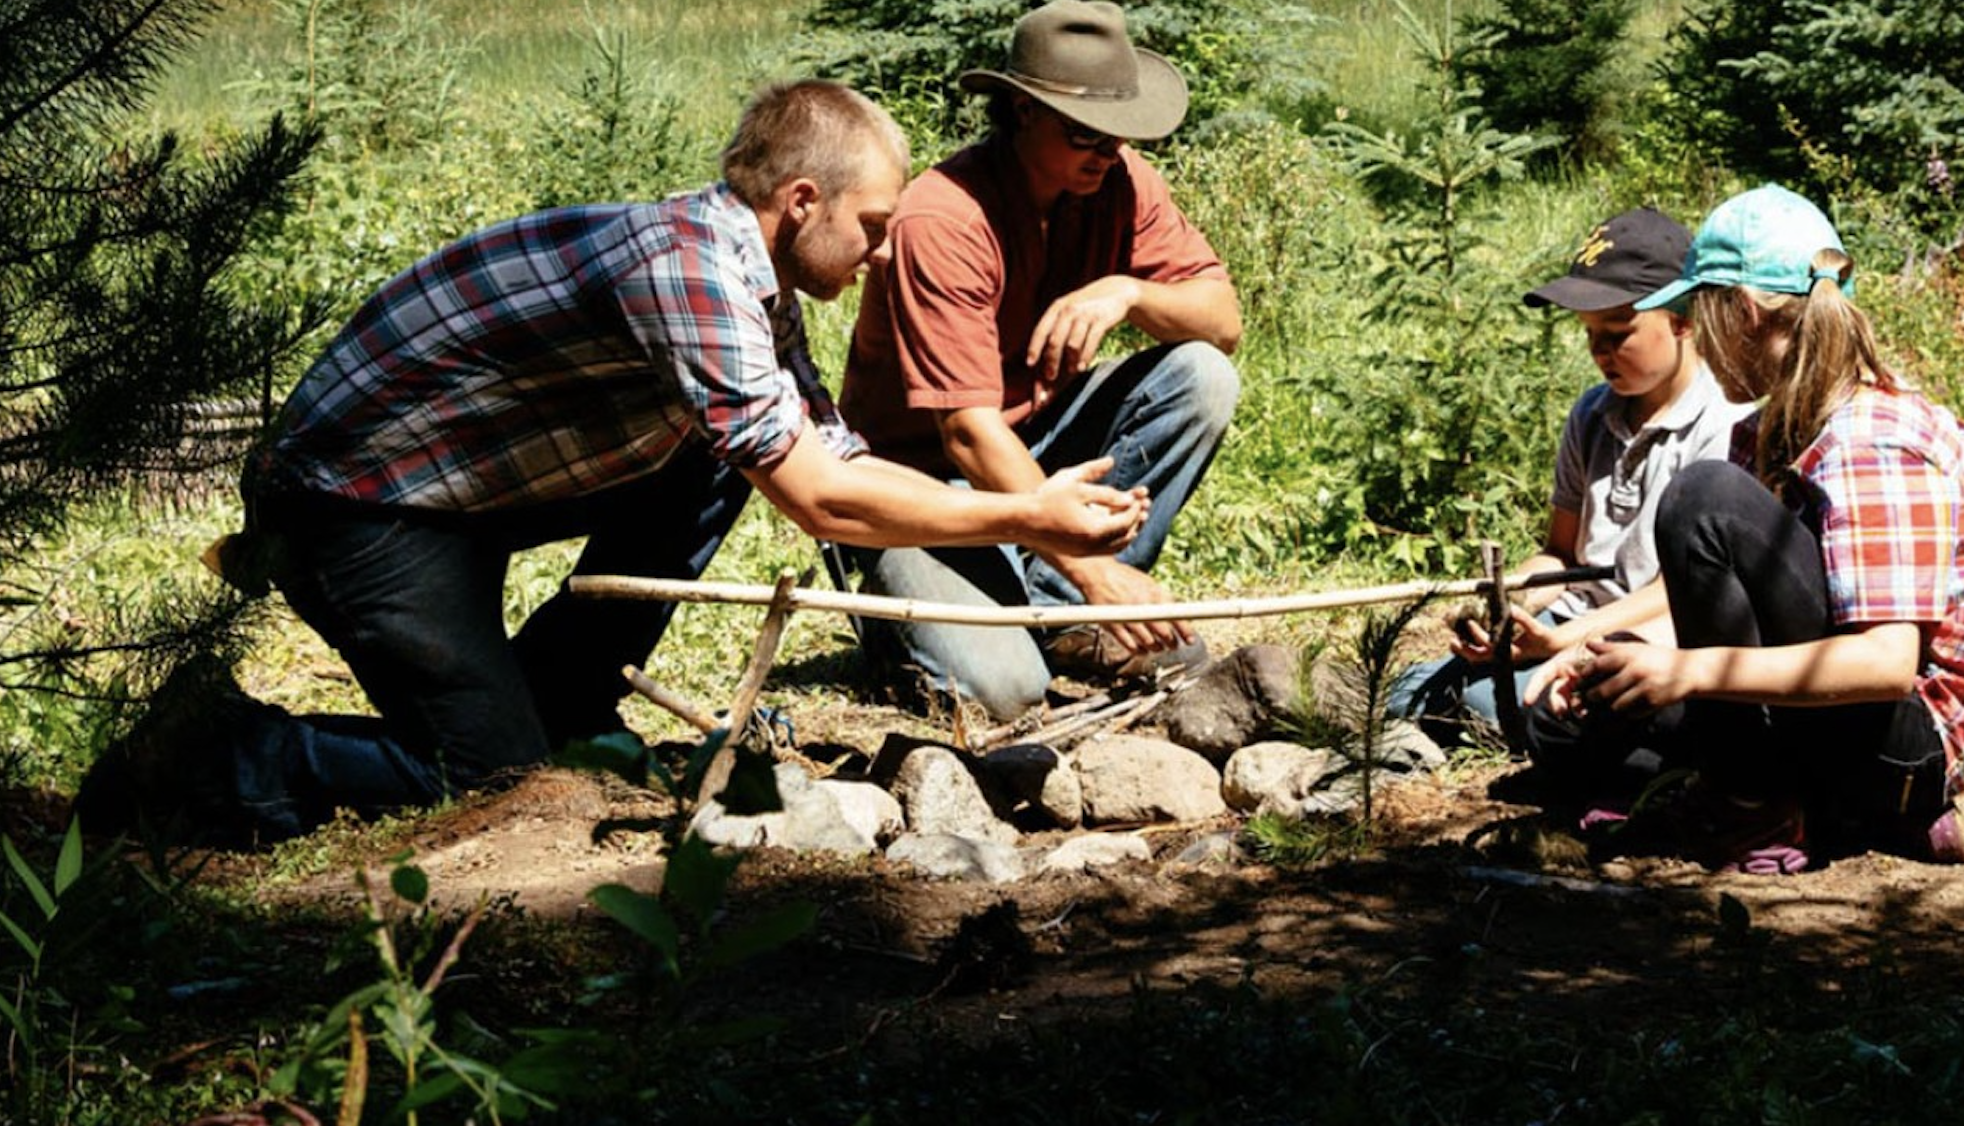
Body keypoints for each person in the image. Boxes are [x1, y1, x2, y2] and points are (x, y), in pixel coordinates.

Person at [76, 79, 1149, 845]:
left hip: (457, 487)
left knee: (724, 456)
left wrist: (1026, 509)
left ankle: (566, 697)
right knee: (488, 775)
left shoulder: (755, 284)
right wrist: (1027, 518)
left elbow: (829, 449)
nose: (880, 252)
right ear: (800, 203)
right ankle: (209, 753)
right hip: (354, 506)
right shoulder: (688, 272)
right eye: (871, 226)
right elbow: (822, 501)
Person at [1529, 184, 1964, 873]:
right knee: (1574, 718)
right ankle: (1775, 795)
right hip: (1815, 710)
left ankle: (1759, 803)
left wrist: (1688, 671)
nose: (1700, 336)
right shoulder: (1764, 431)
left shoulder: (1872, 437)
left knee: (1703, 497)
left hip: (1911, 743)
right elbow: (1732, 615)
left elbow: (1886, 665)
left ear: (1743, 311)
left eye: (1701, 313)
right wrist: (1611, 656)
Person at [837, 0, 1243, 721]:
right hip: (924, 489)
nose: (1109, 151)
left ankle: (1056, 610)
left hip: (1037, 448)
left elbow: (1223, 323)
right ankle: (901, 609)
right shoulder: (945, 218)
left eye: (1122, 132)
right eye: (1086, 132)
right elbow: (966, 435)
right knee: (1007, 691)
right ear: (1023, 111)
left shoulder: (1121, 181)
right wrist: (1096, 571)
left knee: (1201, 376)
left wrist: (1128, 292)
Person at [1392, 207, 1756, 755]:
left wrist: (1561, 641)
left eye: (1618, 333)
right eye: (1590, 334)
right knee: (1410, 691)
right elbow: (1561, 554)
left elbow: (1677, 591)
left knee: (1507, 705)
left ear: (1683, 321)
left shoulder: (1723, 422)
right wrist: (1510, 604)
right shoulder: (1591, 414)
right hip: (1574, 617)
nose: (1600, 352)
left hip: (1653, 635)